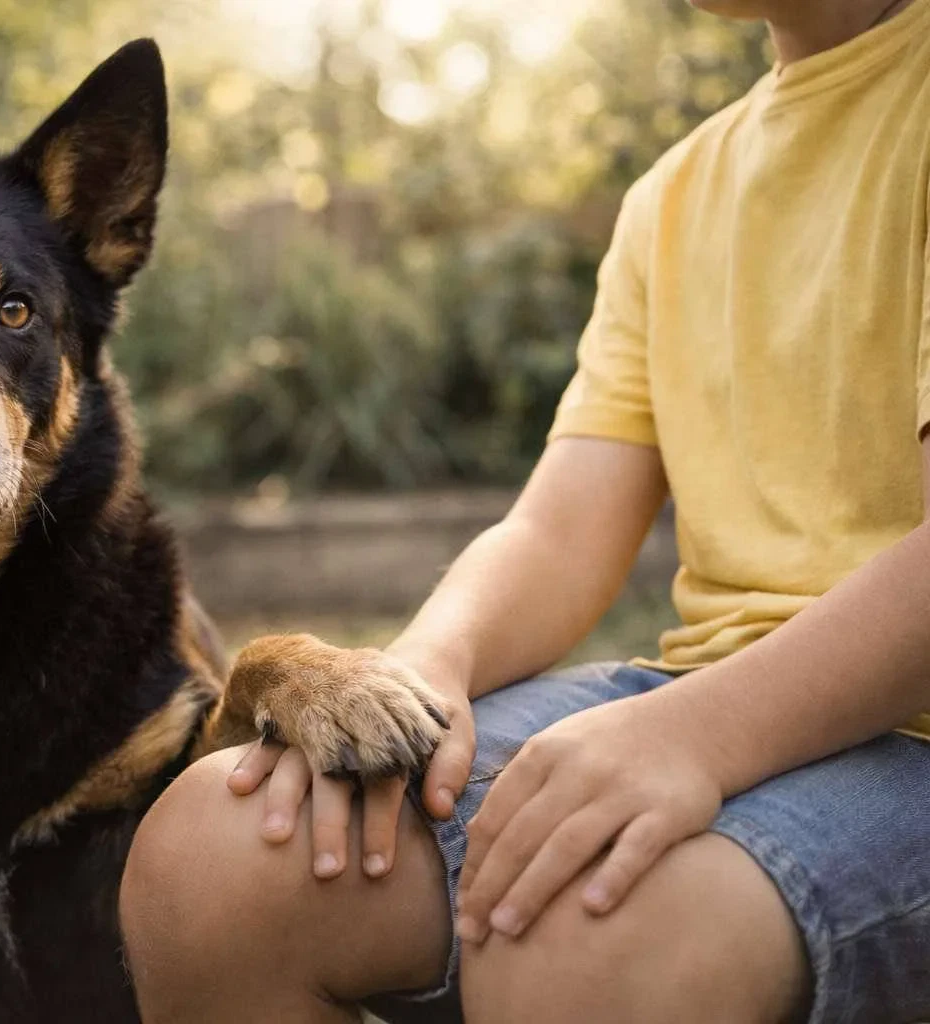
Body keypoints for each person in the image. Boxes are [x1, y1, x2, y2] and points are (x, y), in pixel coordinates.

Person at [118, 0, 930, 1020]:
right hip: (699, 689)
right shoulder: (674, 193)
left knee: (584, 942)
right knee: (214, 856)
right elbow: (559, 530)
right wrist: (422, 668)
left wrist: (695, 738)